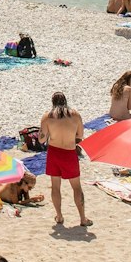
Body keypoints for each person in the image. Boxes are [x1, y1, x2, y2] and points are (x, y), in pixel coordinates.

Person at [40, 92, 90, 228]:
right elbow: (80, 135)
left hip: (54, 153)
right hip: (69, 153)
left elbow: (42, 139)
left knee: (55, 186)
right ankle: (82, 218)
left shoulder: (47, 116)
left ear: (53, 102)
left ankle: (59, 216)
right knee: (76, 187)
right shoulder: (75, 115)